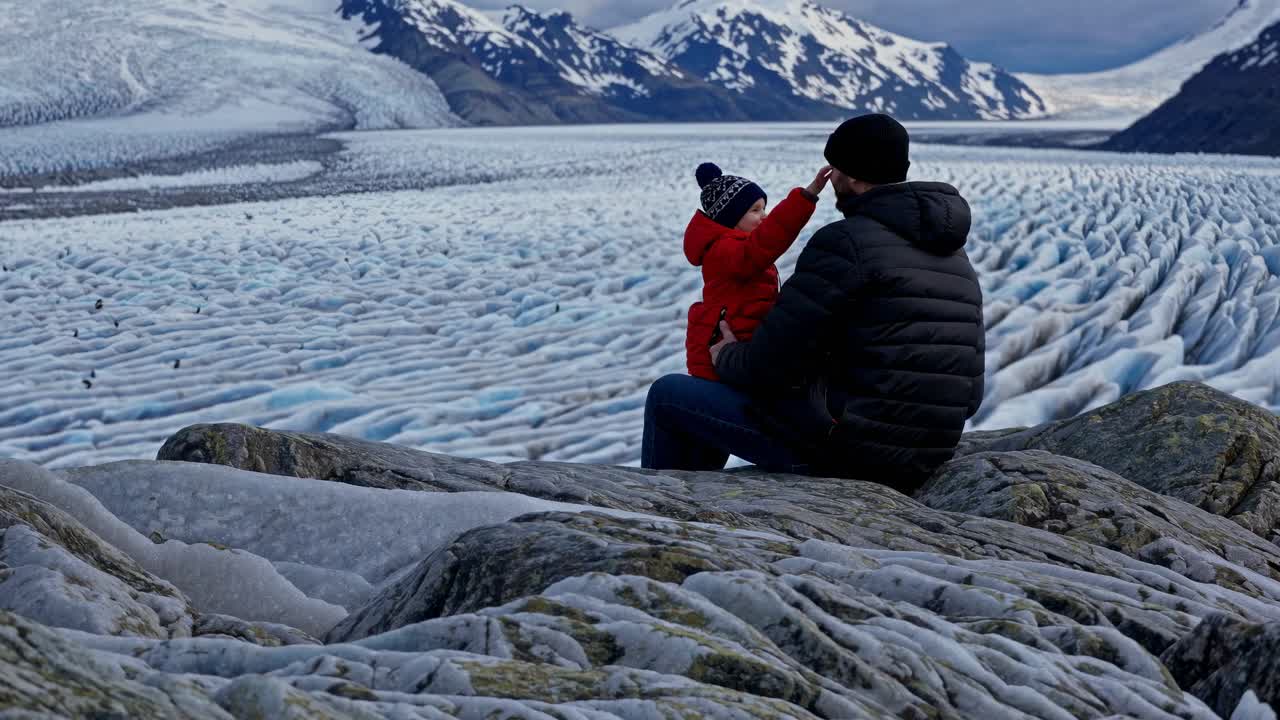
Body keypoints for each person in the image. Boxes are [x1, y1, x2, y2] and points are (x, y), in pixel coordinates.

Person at [642, 113, 985, 492]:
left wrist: (725, 354)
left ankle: (662, 513)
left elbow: (769, 364)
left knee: (669, 395)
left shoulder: (846, 244)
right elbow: (971, 394)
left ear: (854, 177)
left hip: (848, 455)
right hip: (927, 456)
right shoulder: (954, 255)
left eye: (835, 166)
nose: (831, 175)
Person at [683, 162, 833, 381]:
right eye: (755, 210)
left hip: (744, 349)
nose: (764, 216)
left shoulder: (736, 246)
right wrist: (807, 196)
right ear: (729, 218)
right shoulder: (724, 250)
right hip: (725, 357)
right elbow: (766, 242)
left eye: (764, 208)